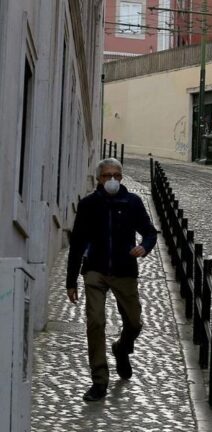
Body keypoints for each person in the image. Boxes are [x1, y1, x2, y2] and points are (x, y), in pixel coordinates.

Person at [65, 158, 157, 402]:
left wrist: (144, 247)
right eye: (107, 175)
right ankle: (99, 380)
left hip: (125, 270)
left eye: (117, 175)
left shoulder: (132, 202)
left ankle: (121, 349)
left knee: (135, 324)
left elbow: (149, 231)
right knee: (95, 322)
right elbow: (77, 244)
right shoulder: (89, 204)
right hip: (94, 270)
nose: (112, 180)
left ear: (122, 178)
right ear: (99, 179)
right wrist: (71, 281)